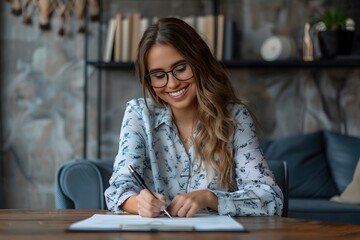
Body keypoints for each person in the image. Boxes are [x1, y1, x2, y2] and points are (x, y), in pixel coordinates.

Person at [104, 17, 283, 218]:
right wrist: (139, 203)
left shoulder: (235, 118)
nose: (172, 84)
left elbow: (271, 199)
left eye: (180, 69)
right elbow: (117, 190)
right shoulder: (139, 114)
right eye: (159, 75)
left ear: (199, 62)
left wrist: (209, 198)